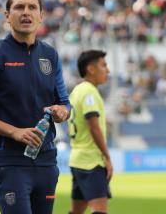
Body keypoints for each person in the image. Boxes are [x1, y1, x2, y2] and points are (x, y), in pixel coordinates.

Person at [0, 0, 70, 214]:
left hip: (46, 162)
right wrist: (14, 132)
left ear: (41, 16)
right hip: (9, 162)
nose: (26, 12)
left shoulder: (50, 56)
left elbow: (65, 102)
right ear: (7, 16)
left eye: (32, 7)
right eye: (19, 7)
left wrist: (63, 112)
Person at [68, 50, 113, 214]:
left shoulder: (77, 91)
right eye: (104, 65)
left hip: (78, 159)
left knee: (76, 211)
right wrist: (107, 156)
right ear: (91, 69)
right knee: (100, 210)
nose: (107, 70)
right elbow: (93, 126)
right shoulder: (89, 92)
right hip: (91, 161)